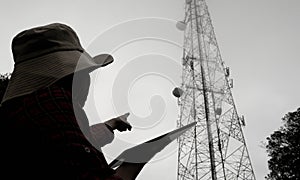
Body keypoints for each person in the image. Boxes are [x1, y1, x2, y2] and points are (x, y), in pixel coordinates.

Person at [0, 23, 133, 179]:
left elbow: (66, 143)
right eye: (88, 72)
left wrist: (111, 124)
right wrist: (139, 157)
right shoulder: (52, 100)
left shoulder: (30, 108)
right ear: (77, 75)